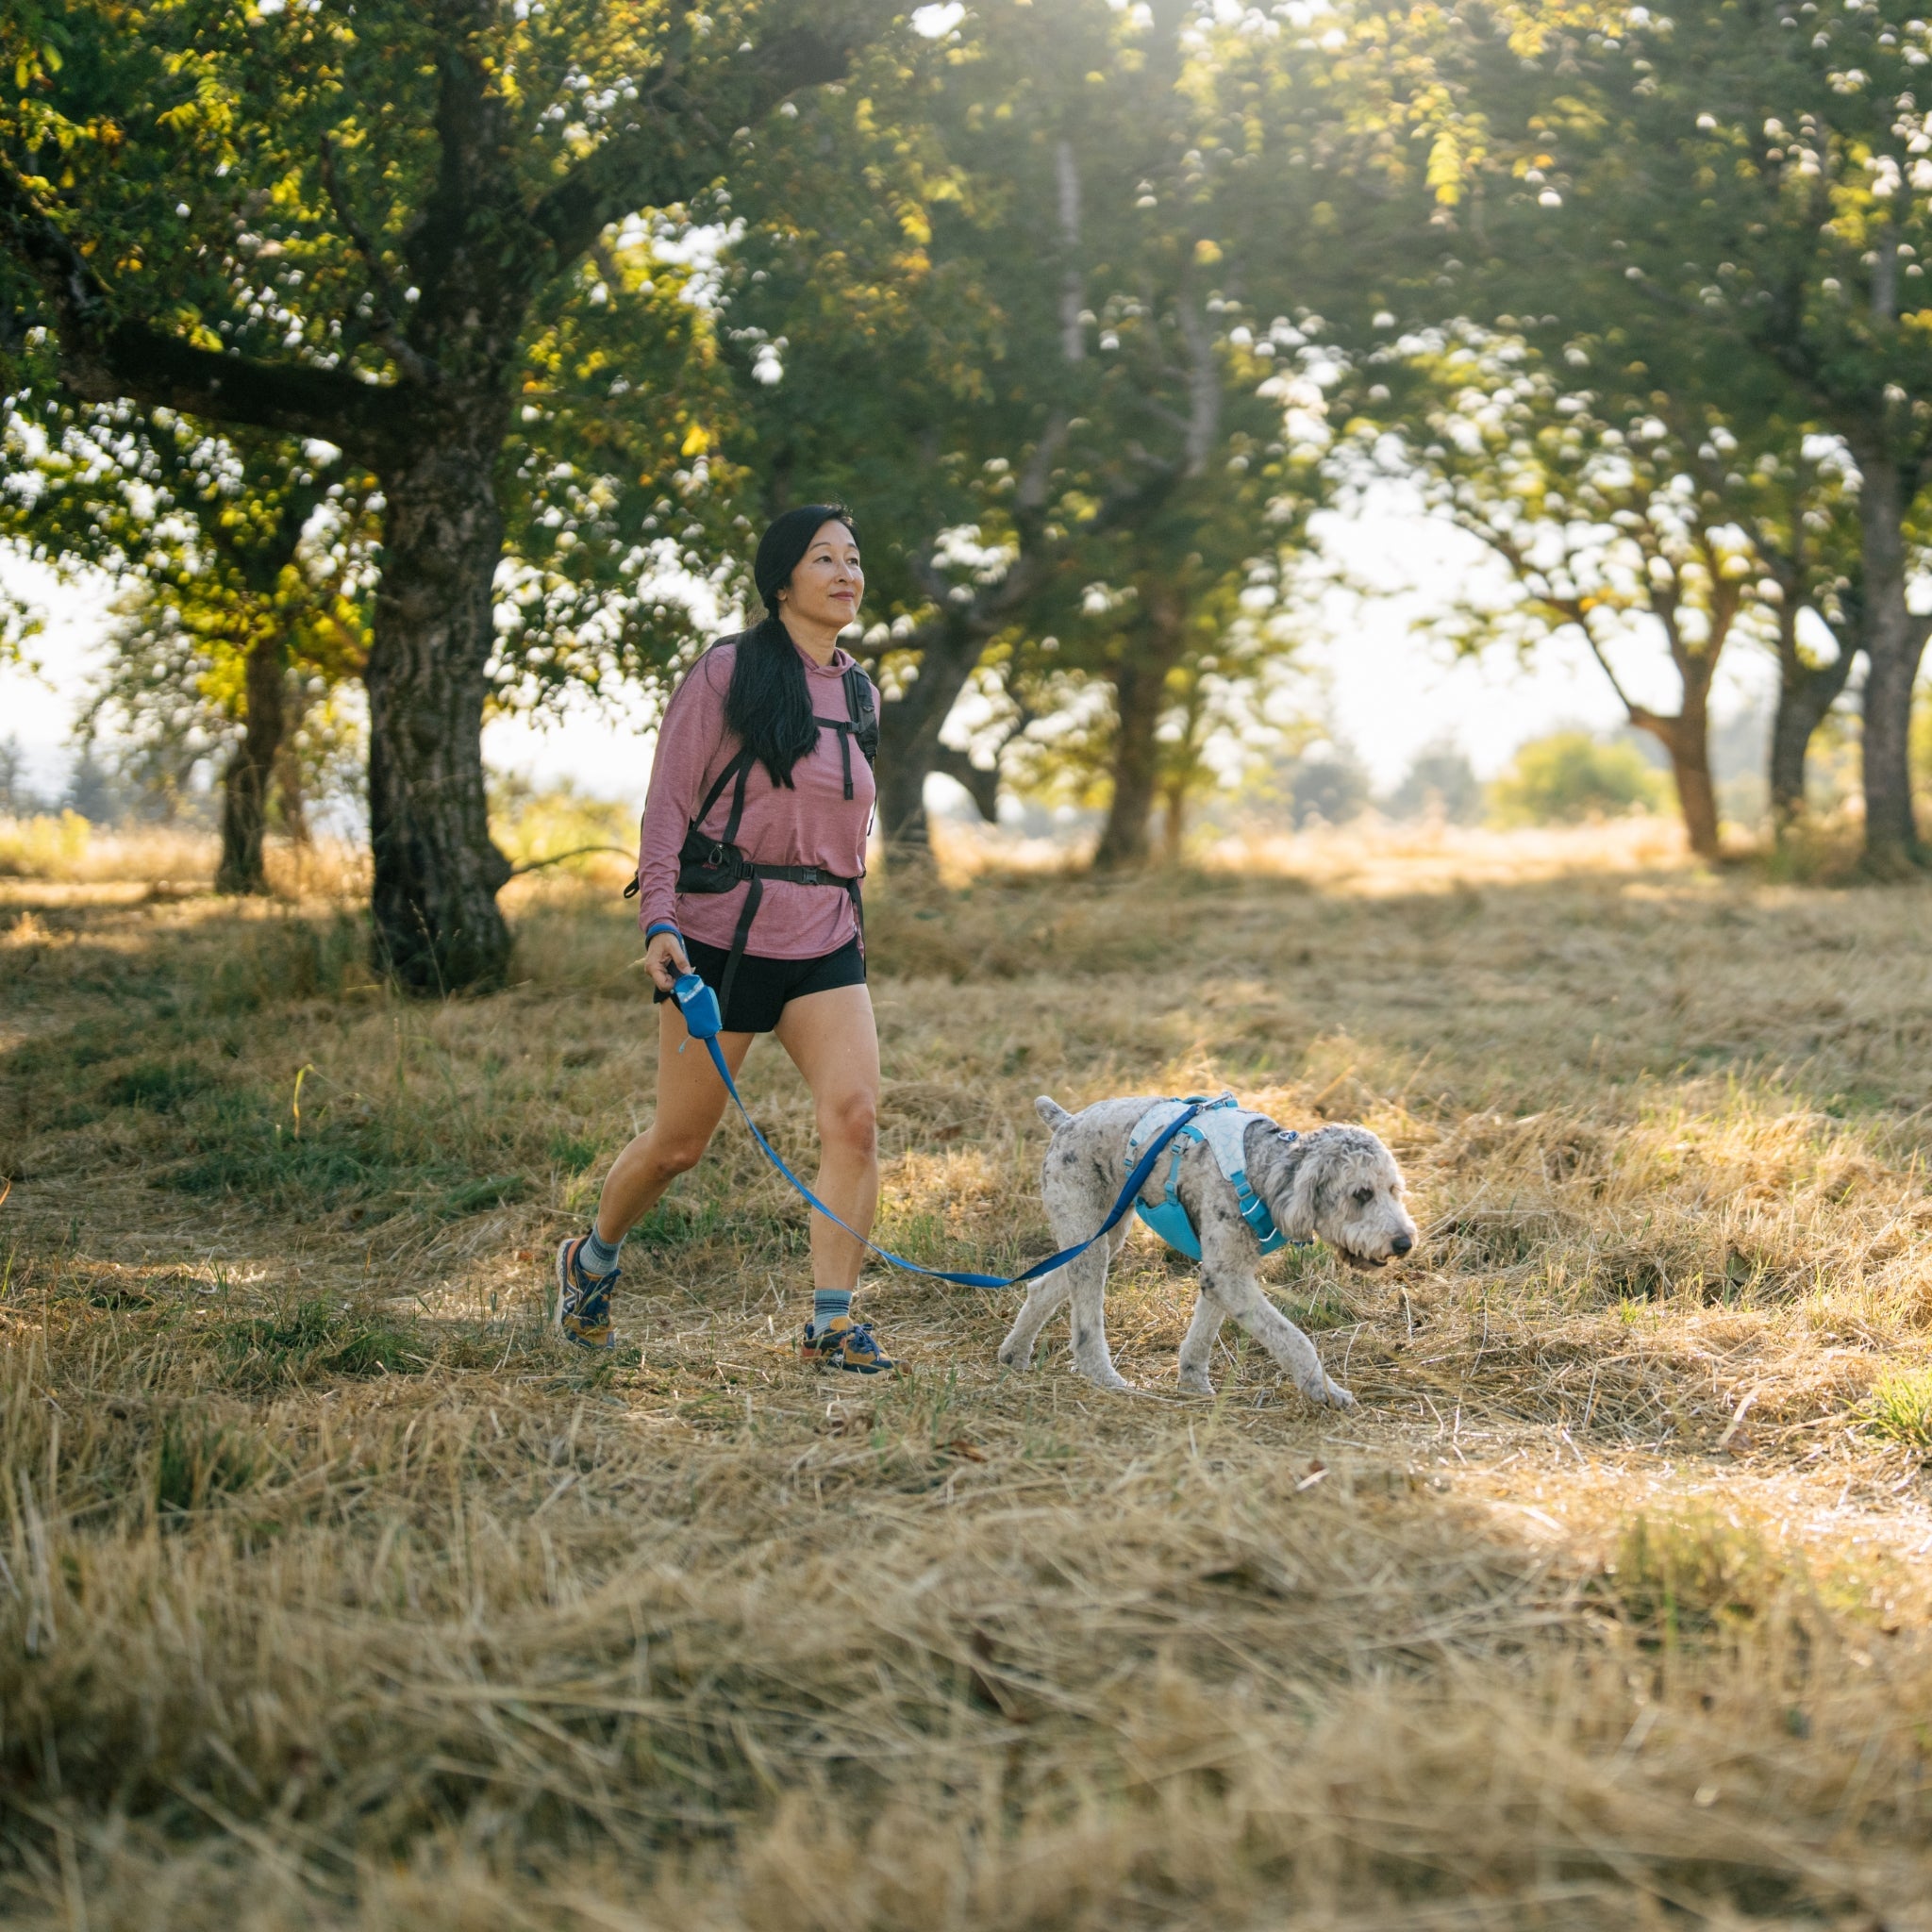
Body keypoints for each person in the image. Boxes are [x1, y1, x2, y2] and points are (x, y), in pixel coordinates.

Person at [553, 505, 896, 1374]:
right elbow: (668, 805)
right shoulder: (726, 673)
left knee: (856, 1120)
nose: (846, 574)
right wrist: (658, 919)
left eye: (854, 559)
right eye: (824, 559)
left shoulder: (861, 692)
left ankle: (830, 1325)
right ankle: (590, 1260)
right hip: (721, 942)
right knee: (679, 1146)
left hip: (827, 938)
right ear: (781, 581)